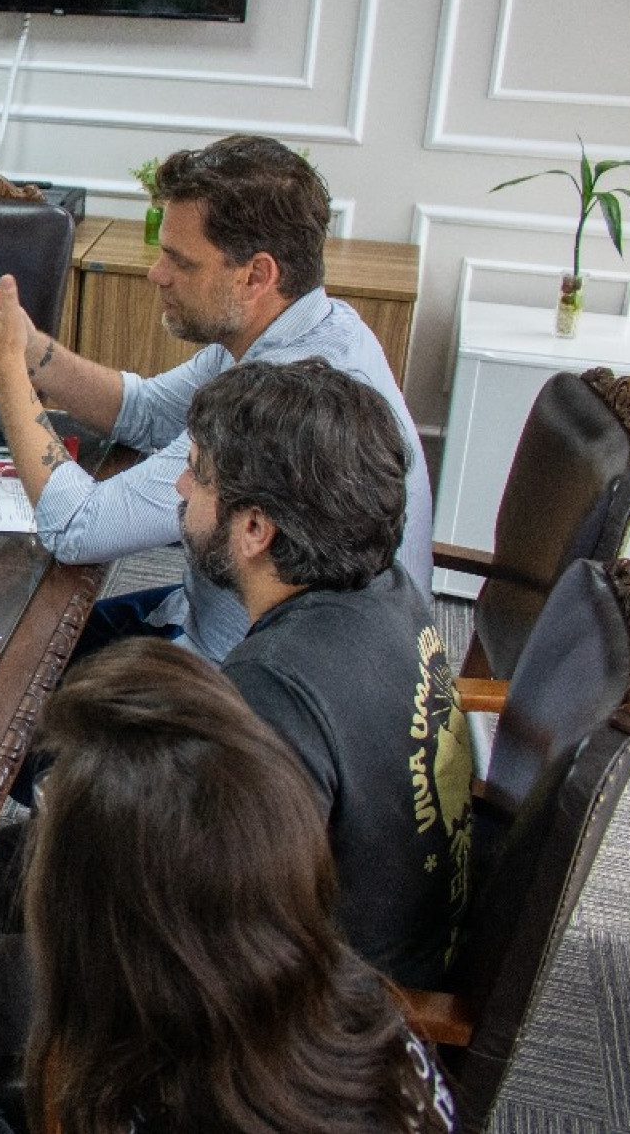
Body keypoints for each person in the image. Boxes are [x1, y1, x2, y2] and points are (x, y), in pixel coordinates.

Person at [0, 641, 458, 1134]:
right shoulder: (350, 995)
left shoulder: (157, 1101)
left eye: (51, 799)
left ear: (118, 921)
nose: (43, 818)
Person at [0, 133, 431, 663]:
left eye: (180, 261)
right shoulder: (308, 327)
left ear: (256, 275)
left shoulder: (282, 402)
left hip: (240, 679)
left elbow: (77, 529)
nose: (158, 273)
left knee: (1, 661)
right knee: (4, 642)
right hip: (202, 616)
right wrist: (32, 350)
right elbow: (145, 412)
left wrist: (6, 368)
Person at [183, 358, 472, 988]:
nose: (182, 486)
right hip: (408, 933)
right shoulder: (385, 583)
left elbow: (224, 930)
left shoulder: (272, 687)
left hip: (330, 1005)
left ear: (254, 528)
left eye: (198, 474)